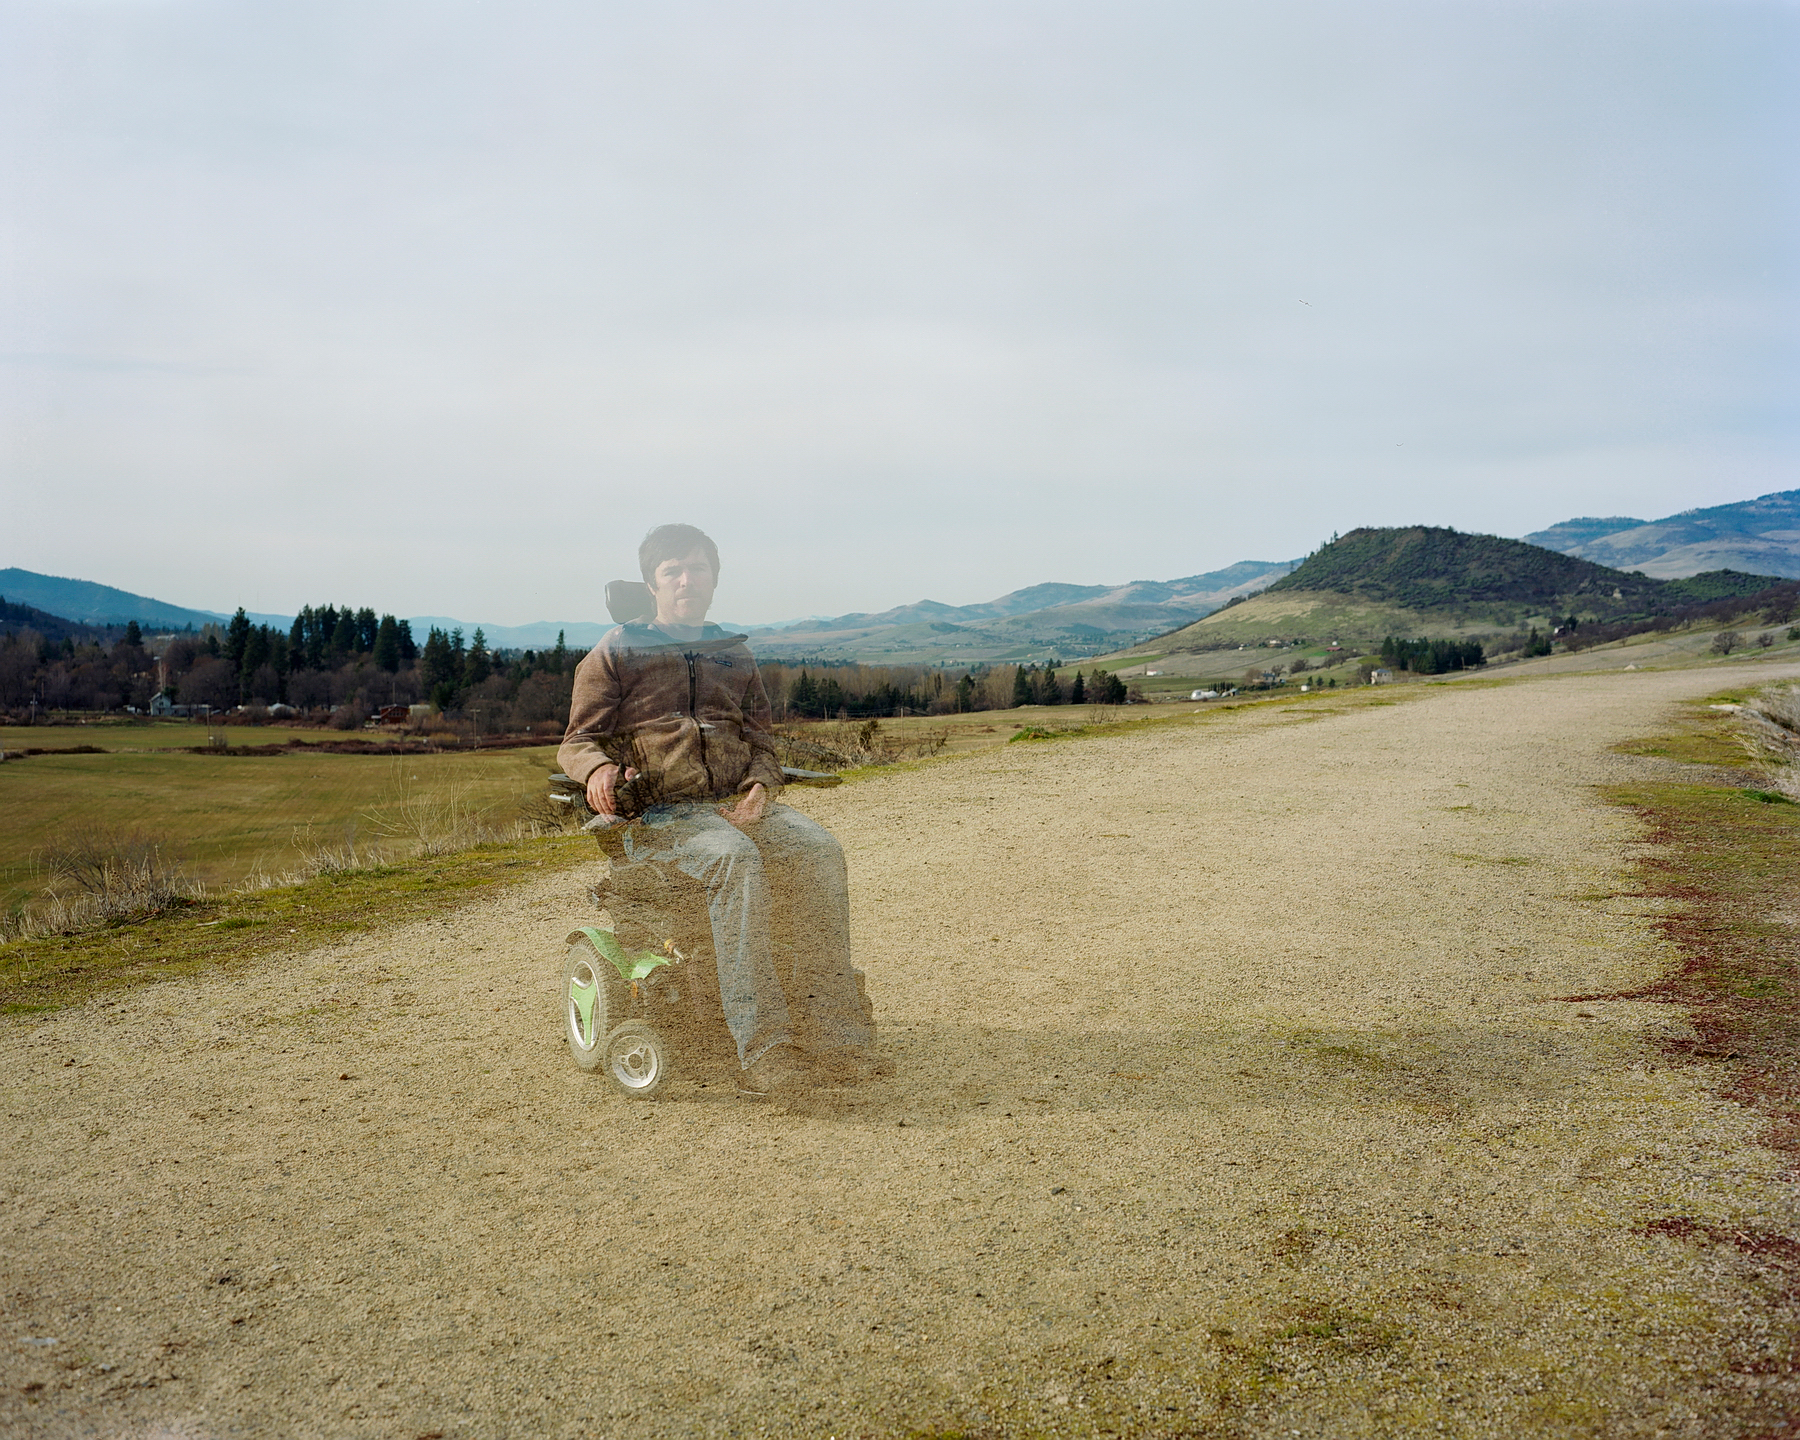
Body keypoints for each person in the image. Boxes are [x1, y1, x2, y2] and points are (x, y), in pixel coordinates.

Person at [558, 523, 887, 1094]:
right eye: (672, 571)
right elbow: (577, 741)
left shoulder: (734, 654)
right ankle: (766, 1047)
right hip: (660, 816)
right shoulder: (615, 652)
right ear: (652, 583)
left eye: (697, 568)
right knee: (734, 860)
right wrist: (598, 771)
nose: (687, 580)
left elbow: (761, 738)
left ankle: (837, 1037)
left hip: (738, 805)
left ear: (714, 577)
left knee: (820, 850)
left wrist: (761, 786)